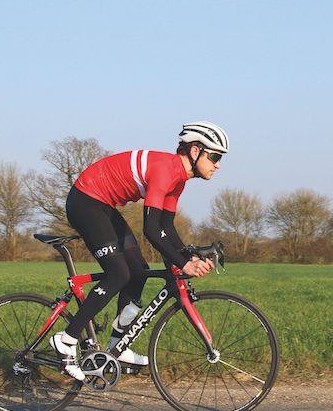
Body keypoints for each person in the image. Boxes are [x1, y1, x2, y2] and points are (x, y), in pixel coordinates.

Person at [50, 121, 228, 380]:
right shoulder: (166, 171)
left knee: (139, 271)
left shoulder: (179, 180)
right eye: (214, 156)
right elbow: (151, 229)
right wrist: (183, 262)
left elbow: (166, 226)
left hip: (103, 204)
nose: (218, 164)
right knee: (118, 273)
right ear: (195, 151)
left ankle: (116, 345)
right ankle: (66, 338)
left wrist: (187, 255)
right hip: (86, 202)